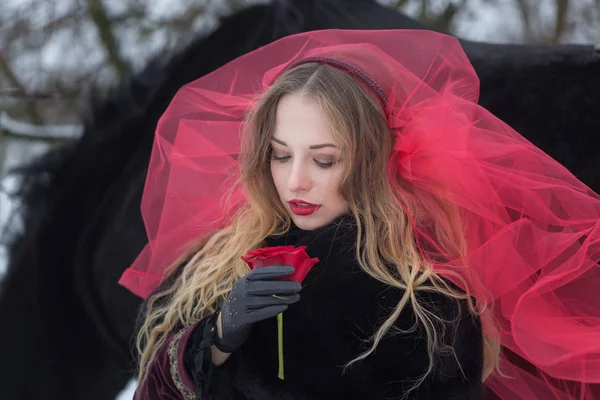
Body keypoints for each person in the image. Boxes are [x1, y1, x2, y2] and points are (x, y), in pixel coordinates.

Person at [122, 30, 600, 400]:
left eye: (325, 159)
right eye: (280, 155)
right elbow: (151, 387)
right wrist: (216, 339)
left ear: (373, 160)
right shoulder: (216, 261)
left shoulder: (425, 296)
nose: (295, 182)